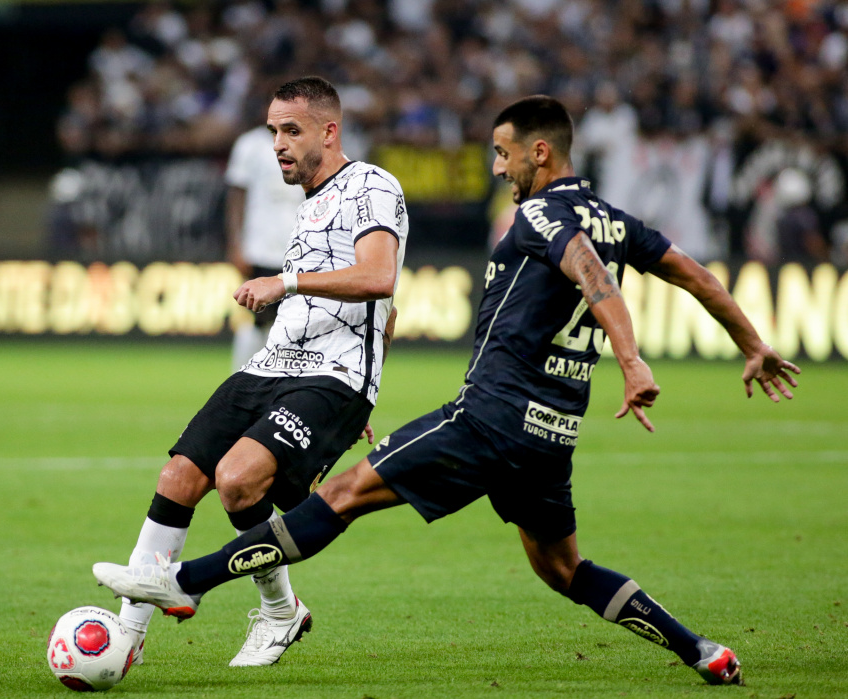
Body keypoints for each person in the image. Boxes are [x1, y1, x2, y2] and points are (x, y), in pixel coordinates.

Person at [95, 95, 800, 685]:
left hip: (487, 416)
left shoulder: (542, 215)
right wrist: (752, 343)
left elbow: (589, 271)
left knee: (338, 497)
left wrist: (632, 357)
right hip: (549, 436)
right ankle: (700, 650)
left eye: (503, 154)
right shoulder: (618, 221)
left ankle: (186, 580)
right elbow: (695, 274)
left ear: (539, 155)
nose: (498, 167)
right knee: (564, 569)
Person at [110, 75, 409, 668]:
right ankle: (128, 636)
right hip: (272, 363)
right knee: (178, 478)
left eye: (291, 131)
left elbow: (379, 279)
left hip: (330, 374)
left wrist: (359, 390)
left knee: (238, 479)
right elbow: (387, 313)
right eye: (274, 130)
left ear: (330, 130)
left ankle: (275, 612)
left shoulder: (371, 184)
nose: (278, 143)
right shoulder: (310, 204)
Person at [225, 116, 307, 371]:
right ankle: (242, 375)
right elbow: (236, 197)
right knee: (257, 318)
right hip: (259, 246)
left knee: (295, 319)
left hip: (299, 248)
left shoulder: (305, 143)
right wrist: (236, 243)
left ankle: (278, 376)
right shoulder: (249, 144)